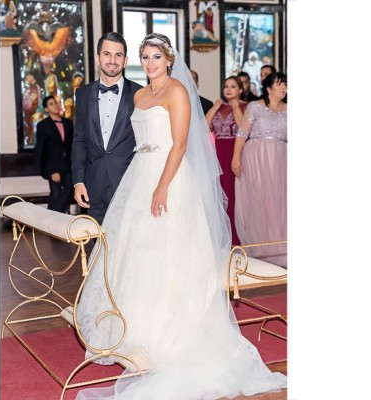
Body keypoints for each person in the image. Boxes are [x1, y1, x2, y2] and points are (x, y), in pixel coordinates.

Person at [75, 33, 287, 400]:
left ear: (168, 59)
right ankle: (135, 333)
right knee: (137, 254)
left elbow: (181, 143)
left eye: (156, 56)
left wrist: (162, 186)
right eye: (145, 56)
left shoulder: (176, 92)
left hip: (169, 178)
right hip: (138, 177)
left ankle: (171, 331)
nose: (150, 62)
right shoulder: (139, 95)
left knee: (172, 253)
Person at [71, 32, 142, 225]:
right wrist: (78, 182)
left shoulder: (140, 94)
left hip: (129, 183)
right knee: (97, 247)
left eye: (118, 55)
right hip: (93, 186)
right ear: (97, 58)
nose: (112, 60)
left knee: (126, 248)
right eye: (107, 54)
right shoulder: (83, 94)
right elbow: (79, 141)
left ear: (126, 60)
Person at [232, 71, 288, 267]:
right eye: (280, 84)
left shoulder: (289, 110)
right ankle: (260, 248)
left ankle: (280, 248)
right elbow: (241, 134)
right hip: (255, 159)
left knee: (279, 202)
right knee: (259, 201)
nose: (284, 88)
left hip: (281, 160)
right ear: (269, 87)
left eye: (286, 85)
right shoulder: (255, 107)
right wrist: (236, 158)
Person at [205, 75, 247, 245]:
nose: (228, 89)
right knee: (220, 196)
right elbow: (204, 125)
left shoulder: (247, 107)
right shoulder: (219, 106)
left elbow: (244, 128)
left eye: (233, 86)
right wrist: (215, 107)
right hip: (218, 153)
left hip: (236, 152)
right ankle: (222, 237)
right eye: (226, 86)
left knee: (235, 197)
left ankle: (238, 239)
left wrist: (236, 107)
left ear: (241, 90)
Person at [33, 95, 74, 213]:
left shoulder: (68, 123)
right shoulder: (43, 125)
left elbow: (72, 145)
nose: (55, 105)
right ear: (46, 109)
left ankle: (52, 217)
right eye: (51, 104)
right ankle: (53, 218)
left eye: (56, 103)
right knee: (55, 193)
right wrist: (51, 171)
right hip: (53, 166)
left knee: (69, 189)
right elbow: (42, 149)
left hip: (68, 165)